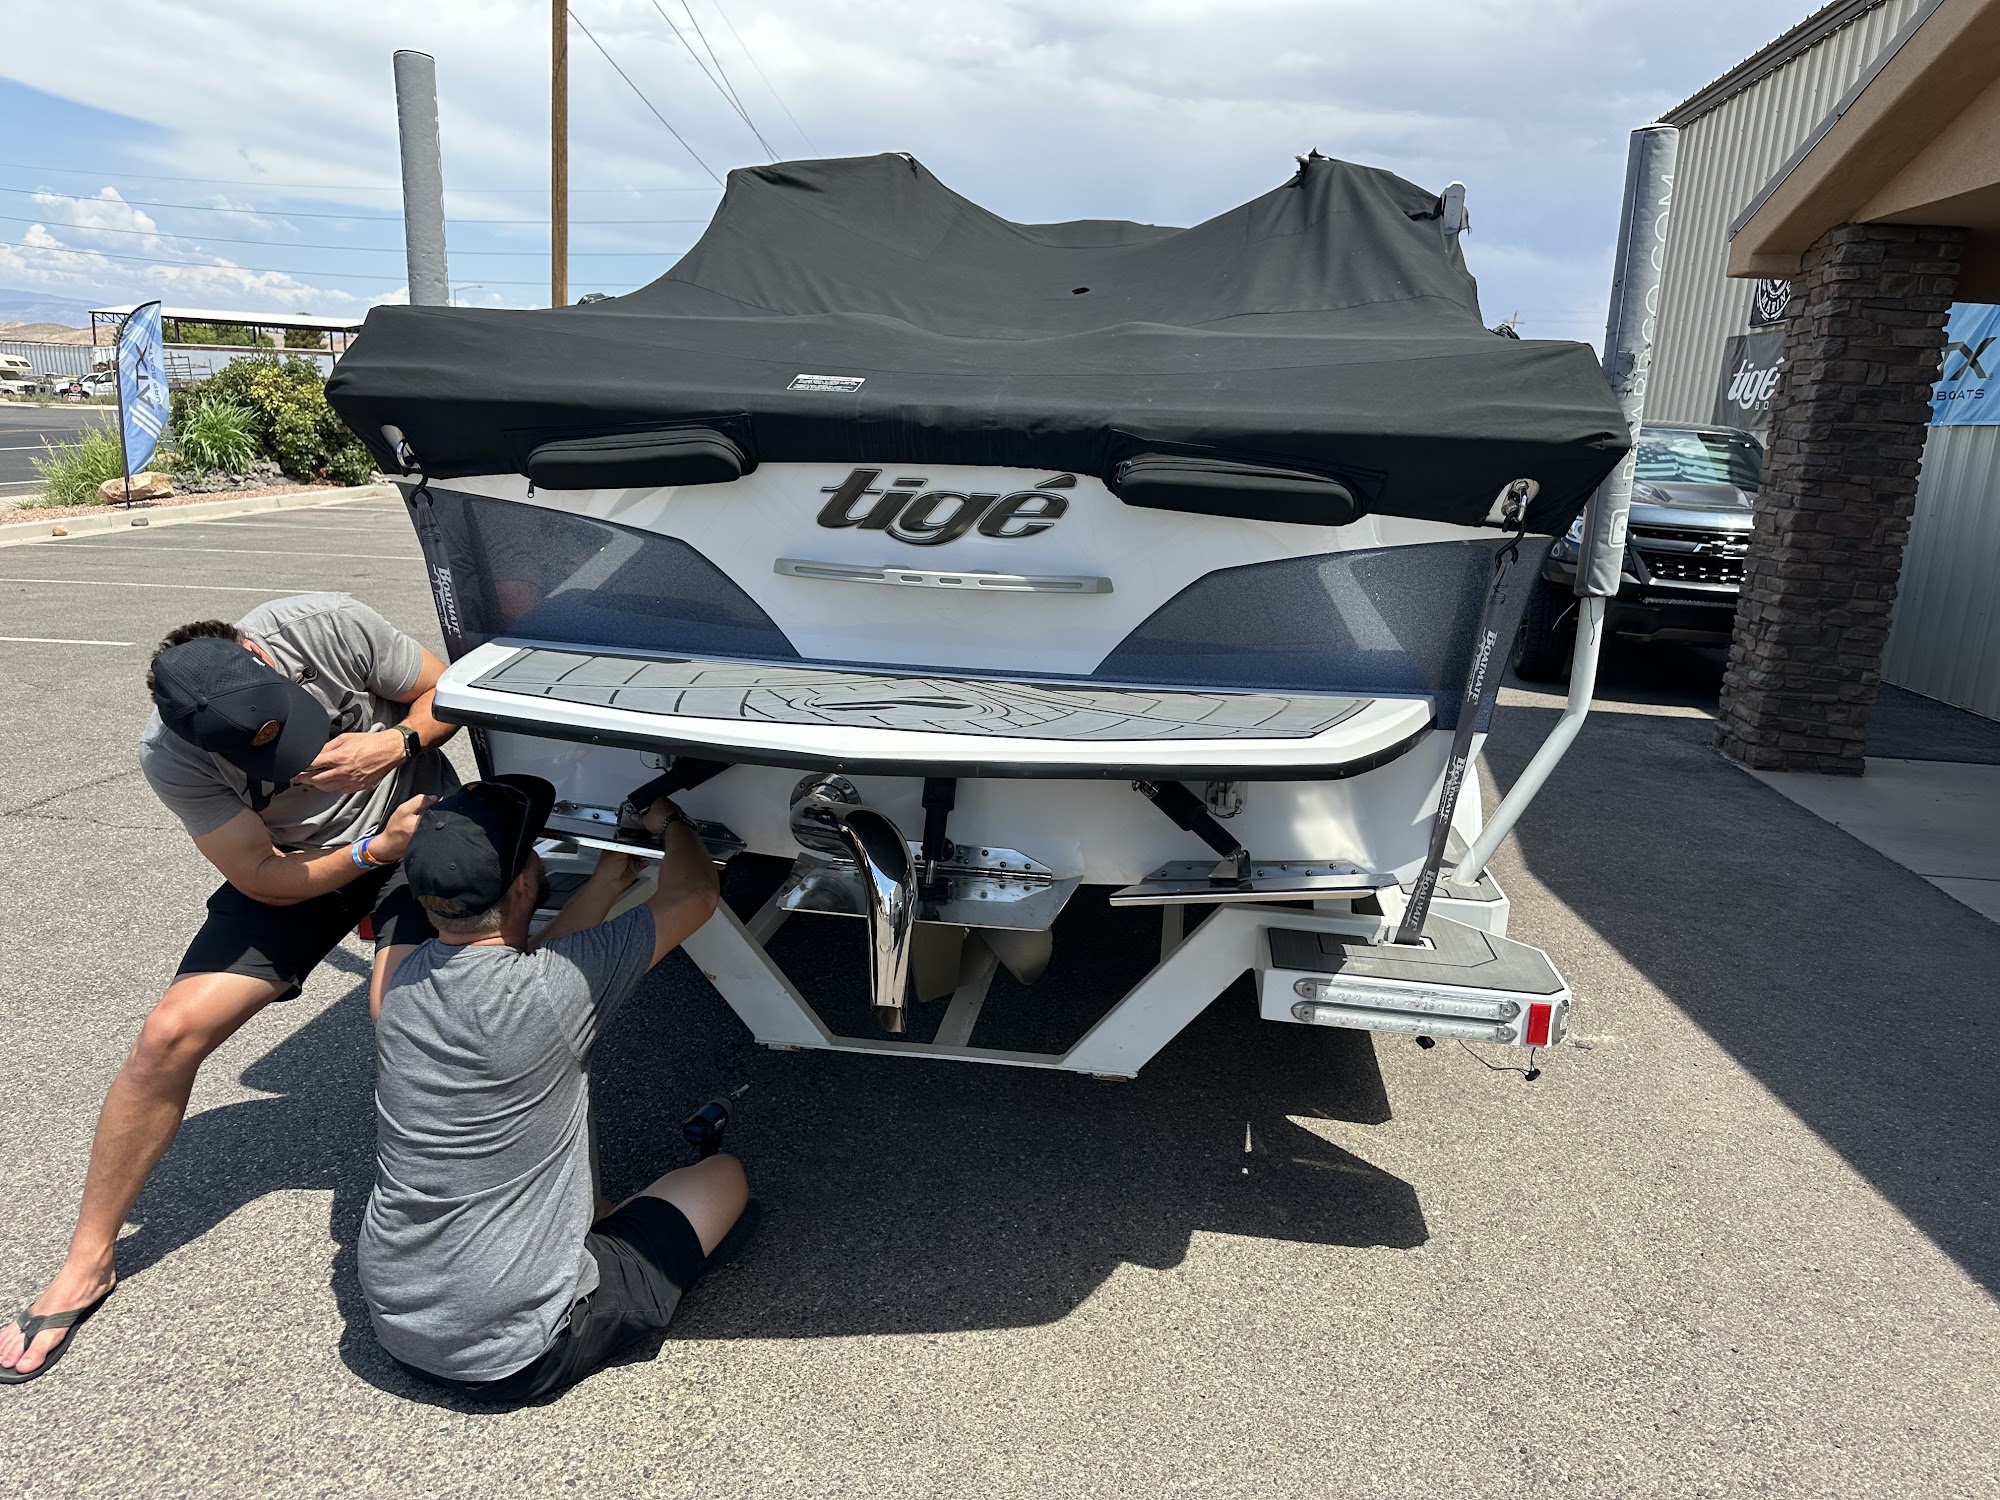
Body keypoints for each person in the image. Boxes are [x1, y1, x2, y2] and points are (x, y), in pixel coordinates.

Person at [1, 593, 459, 1384]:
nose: (292, 764)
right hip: (311, 867)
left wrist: (395, 743)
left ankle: (467, 1219)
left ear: (264, 660)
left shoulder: (322, 626)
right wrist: (367, 855)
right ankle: (87, 1259)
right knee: (166, 1036)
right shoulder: (169, 755)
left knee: (405, 1014)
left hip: (416, 821)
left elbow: (446, 689)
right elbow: (260, 875)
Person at [359, 774, 746, 1403]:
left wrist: (605, 884)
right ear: (521, 884)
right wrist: (673, 823)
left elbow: (523, 964)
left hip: (400, 1320)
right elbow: (695, 894)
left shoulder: (400, 985)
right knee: (724, 1178)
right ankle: (592, 1262)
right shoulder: (547, 993)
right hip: (517, 1353)